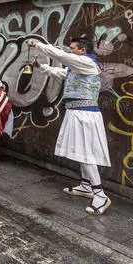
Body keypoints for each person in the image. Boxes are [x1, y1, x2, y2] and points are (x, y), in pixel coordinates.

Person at [27, 37, 112, 215]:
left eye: (73, 48)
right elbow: (60, 72)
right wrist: (40, 66)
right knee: (81, 150)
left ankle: (100, 195)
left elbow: (62, 57)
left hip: (85, 114)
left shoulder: (87, 63)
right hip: (78, 112)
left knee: (86, 153)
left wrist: (39, 45)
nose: (70, 51)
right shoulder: (77, 67)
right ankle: (86, 185)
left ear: (82, 50)